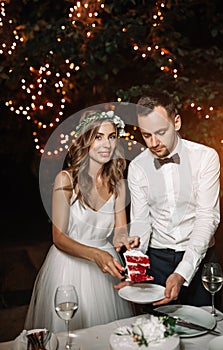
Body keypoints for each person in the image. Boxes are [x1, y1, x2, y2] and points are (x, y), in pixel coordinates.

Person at [25, 109, 139, 332]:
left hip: (105, 268)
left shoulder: (118, 184)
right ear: (85, 140)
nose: (106, 144)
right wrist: (96, 254)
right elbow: (59, 238)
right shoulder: (65, 179)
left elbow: (119, 233)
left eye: (111, 136)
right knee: (69, 334)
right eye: (98, 137)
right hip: (68, 267)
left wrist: (129, 239)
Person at [127, 92, 220, 307]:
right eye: (146, 135)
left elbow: (207, 218)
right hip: (157, 260)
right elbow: (141, 221)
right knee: (158, 332)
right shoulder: (138, 167)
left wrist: (182, 273)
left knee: (206, 328)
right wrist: (135, 270)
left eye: (160, 132)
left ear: (176, 122)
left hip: (200, 256)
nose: (153, 143)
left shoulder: (205, 158)